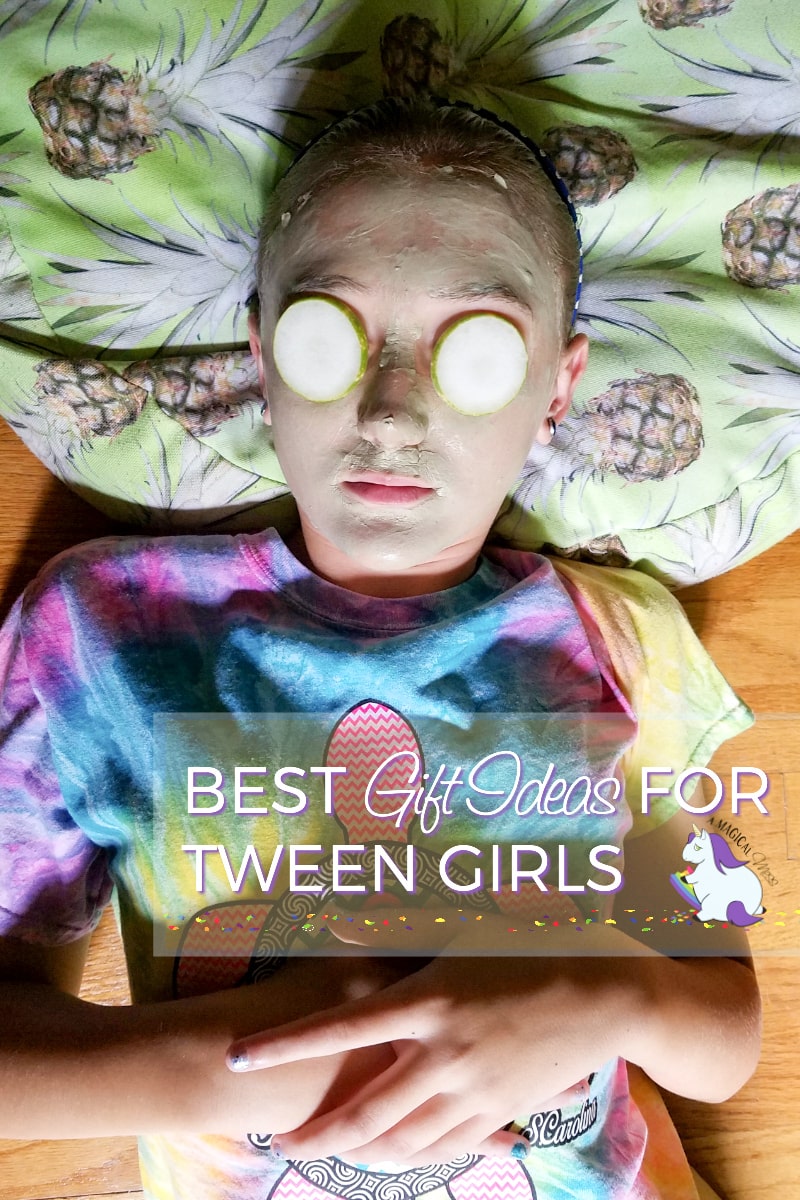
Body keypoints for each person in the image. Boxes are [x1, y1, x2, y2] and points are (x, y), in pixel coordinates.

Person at [0, 97, 760, 1200]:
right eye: (328, 336)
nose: (392, 409)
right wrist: (236, 1068)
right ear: (263, 357)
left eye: (477, 351)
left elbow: (725, 1023)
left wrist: (584, 992)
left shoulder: (625, 639)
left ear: (558, 383)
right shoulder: (108, 635)